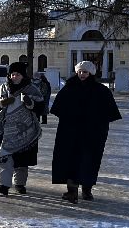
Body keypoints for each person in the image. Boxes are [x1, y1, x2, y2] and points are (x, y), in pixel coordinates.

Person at [51, 60, 122, 202]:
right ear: (76, 72)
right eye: (80, 71)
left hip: (92, 134)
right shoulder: (68, 88)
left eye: (85, 72)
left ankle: (87, 190)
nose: (82, 74)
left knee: (89, 161)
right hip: (70, 133)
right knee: (70, 161)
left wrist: (97, 123)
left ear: (91, 73)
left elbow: (110, 113)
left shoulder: (101, 91)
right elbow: (58, 109)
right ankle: (72, 191)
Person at [0, 61, 43, 196]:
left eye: (17, 74)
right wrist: (0, 103)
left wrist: (30, 103)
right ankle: (2, 184)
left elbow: (42, 108)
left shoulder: (32, 89)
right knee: (4, 156)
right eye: (12, 74)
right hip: (5, 130)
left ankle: (19, 184)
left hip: (25, 130)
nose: (14, 77)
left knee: (21, 159)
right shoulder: (2, 88)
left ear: (23, 76)